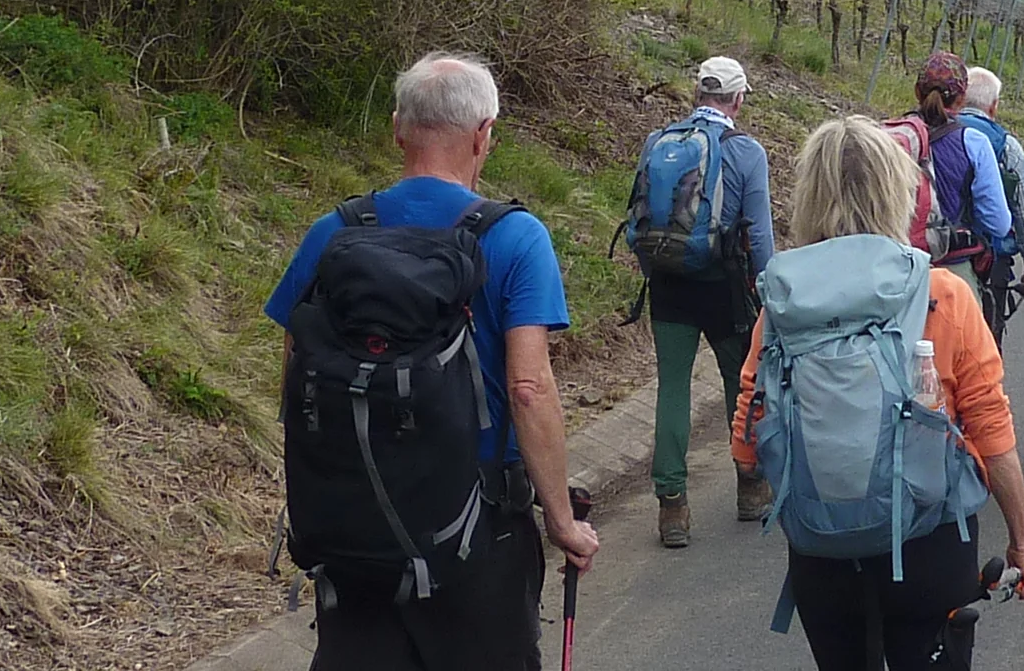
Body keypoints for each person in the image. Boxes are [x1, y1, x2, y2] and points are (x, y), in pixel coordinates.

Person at [265, 53, 598, 671]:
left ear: (398, 129)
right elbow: (529, 388)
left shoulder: (334, 232)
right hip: (477, 529)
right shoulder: (515, 237)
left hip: (353, 529)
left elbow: (294, 374)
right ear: (483, 135)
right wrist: (561, 521)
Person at [732, 117, 1024, 670]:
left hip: (823, 554)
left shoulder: (783, 304)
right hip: (930, 549)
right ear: (900, 192)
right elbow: (991, 433)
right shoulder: (942, 292)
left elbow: (746, 448)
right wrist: (1021, 541)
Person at [641, 56, 776, 549]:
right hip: (725, 287)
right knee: (742, 385)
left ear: (697, 94)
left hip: (668, 283)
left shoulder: (657, 143)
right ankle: (750, 485)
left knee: (672, 389)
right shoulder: (746, 152)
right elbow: (760, 235)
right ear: (737, 100)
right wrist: (768, 292)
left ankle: (672, 506)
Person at [904, 50, 1013, 291]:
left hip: (895, 263)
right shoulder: (974, 142)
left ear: (917, 91)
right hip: (949, 265)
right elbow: (998, 223)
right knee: (969, 313)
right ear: (962, 99)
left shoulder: (889, 136)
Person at [961, 66, 1024, 344]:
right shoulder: (1007, 146)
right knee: (985, 344)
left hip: (935, 257)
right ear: (993, 106)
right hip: (989, 262)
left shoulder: (934, 133)